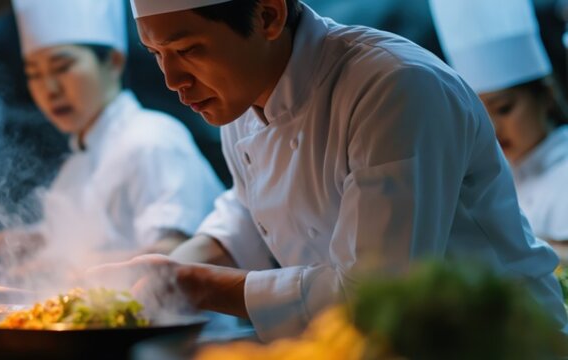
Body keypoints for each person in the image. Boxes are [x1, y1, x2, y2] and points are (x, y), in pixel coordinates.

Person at [96, 0, 568, 341]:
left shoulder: (393, 86)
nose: (172, 81)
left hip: (495, 342)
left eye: (189, 50)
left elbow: (377, 290)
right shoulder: (236, 98)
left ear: (268, 15)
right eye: (157, 55)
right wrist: (162, 272)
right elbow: (251, 213)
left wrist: (191, 283)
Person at [0, 0, 224, 276]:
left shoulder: (152, 139)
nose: (48, 88)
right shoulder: (77, 162)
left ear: (113, 62)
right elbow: (62, 237)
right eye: (34, 74)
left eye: (62, 67)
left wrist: (70, 270)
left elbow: (177, 251)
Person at [432, 0, 568, 247]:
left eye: (504, 108)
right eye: (479, 117)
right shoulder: (480, 185)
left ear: (546, 95)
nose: (491, 128)